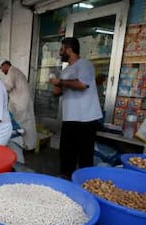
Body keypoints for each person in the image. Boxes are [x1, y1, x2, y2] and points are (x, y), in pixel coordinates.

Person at [50, 37, 103, 179]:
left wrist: (61, 82)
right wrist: (56, 84)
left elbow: (82, 85)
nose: (60, 53)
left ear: (69, 49)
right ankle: (66, 180)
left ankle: (85, 183)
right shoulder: (66, 70)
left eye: (61, 50)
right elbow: (57, 93)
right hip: (70, 118)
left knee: (85, 156)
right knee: (67, 153)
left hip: (86, 118)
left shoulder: (84, 64)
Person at [0, 60, 37, 151]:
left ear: (5, 65)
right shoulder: (16, 71)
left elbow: (7, 87)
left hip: (20, 103)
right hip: (21, 101)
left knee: (22, 123)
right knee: (26, 122)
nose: (1, 70)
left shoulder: (12, 71)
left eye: (1, 68)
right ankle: (28, 144)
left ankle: (24, 145)